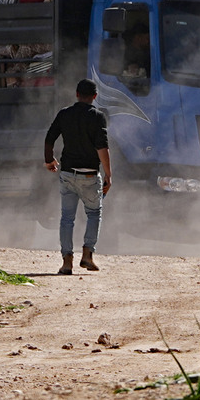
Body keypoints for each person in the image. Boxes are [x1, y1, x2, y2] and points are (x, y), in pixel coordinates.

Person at [44, 79, 112, 274]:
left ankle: (67, 262)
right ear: (95, 97)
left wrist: (50, 160)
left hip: (67, 174)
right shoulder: (98, 117)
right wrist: (108, 174)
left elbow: (49, 138)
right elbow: (102, 148)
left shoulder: (65, 114)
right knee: (93, 213)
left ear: (76, 94)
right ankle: (87, 255)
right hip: (89, 176)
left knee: (67, 218)